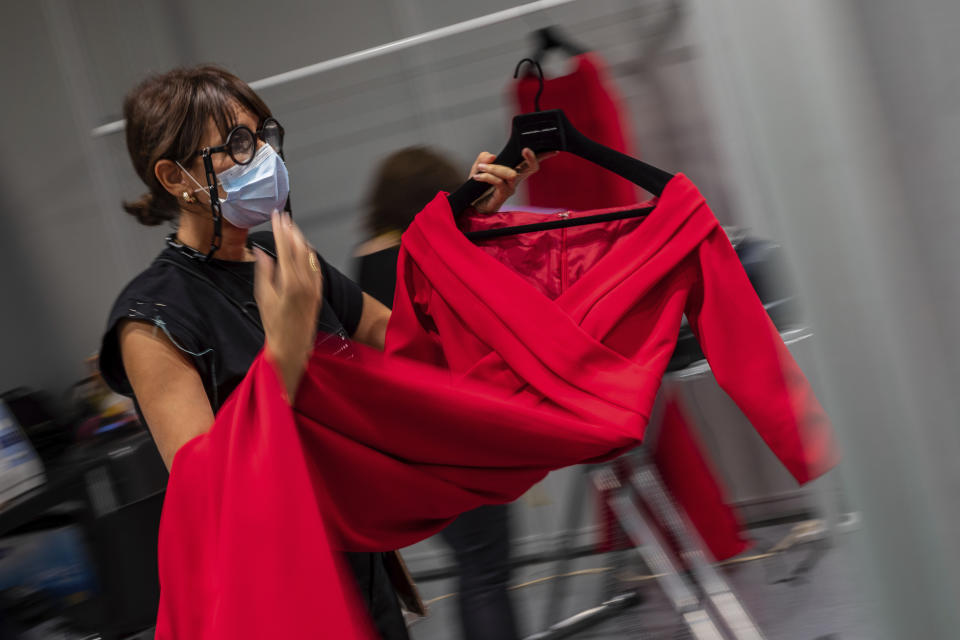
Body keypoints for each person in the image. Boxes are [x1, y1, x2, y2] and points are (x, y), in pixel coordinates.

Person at [97, 66, 544, 639]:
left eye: (263, 136)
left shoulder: (284, 257)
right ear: (176, 177)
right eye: (237, 143)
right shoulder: (151, 319)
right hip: (278, 599)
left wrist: (465, 232)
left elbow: (406, 344)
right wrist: (281, 357)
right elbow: (207, 489)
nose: (261, 155)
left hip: (359, 569)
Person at [355, 147, 522, 640]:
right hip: (458, 429)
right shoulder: (430, 250)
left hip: (408, 440)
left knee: (474, 565)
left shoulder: (366, 261)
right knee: (487, 570)